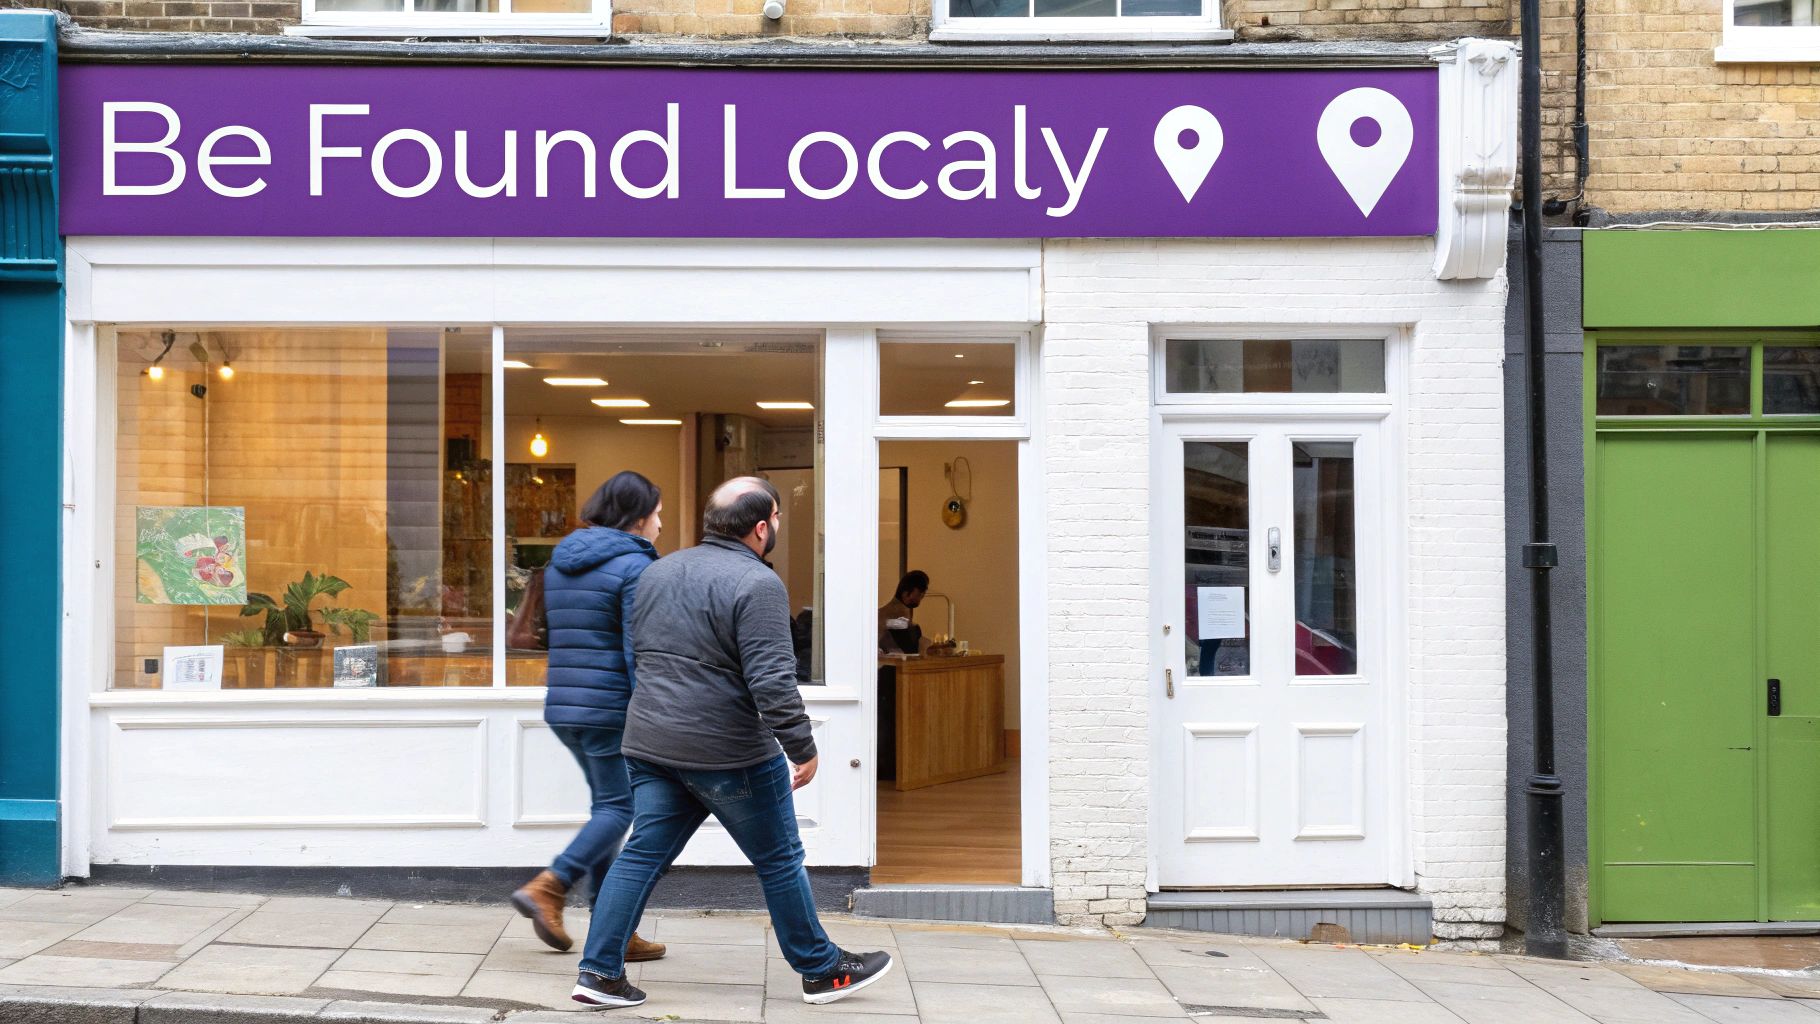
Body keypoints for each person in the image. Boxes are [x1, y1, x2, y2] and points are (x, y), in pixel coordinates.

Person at [571, 477, 894, 1010]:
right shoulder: (758, 583)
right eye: (778, 521)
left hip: (652, 742)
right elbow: (771, 678)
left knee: (639, 858)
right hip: (728, 752)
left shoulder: (659, 570)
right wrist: (802, 745)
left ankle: (599, 974)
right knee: (780, 858)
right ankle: (822, 969)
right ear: (762, 527)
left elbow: (642, 656)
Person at [509, 471, 667, 966]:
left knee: (608, 807)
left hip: (565, 704)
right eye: (658, 513)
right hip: (609, 708)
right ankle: (551, 885)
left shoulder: (560, 564)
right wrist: (651, 711)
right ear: (638, 517)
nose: (661, 524)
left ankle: (614, 929)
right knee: (621, 809)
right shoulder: (634, 567)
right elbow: (634, 651)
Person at [877, 570, 930, 654]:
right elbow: (909, 648)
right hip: (887, 663)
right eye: (919, 594)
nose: (921, 598)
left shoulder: (897, 610)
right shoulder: (896, 612)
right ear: (905, 593)